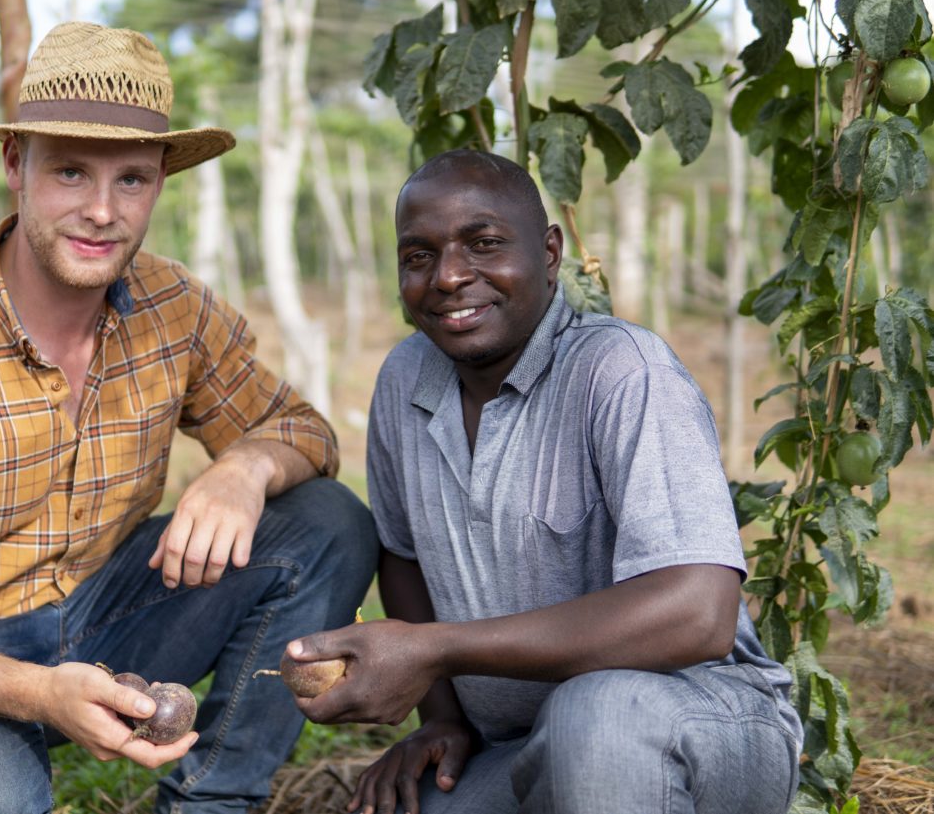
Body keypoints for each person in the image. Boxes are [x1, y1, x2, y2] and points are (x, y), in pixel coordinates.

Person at [0, 22, 377, 814]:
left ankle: (212, 800)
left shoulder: (174, 307)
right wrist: (38, 693)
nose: (102, 210)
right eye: (70, 171)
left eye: (131, 179)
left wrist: (246, 467)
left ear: (160, 181)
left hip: (109, 610)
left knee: (326, 522)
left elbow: (301, 428)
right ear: (15, 166)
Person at [287, 149, 803, 814]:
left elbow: (699, 612)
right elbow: (404, 556)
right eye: (418, 257)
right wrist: (442, 716)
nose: (447, 277)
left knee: (597, 716)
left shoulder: (621, 371)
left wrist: (435, 649)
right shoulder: (404, 380)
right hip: (522, 743)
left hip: (700, 722)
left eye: (484, 243)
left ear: (551, 252)